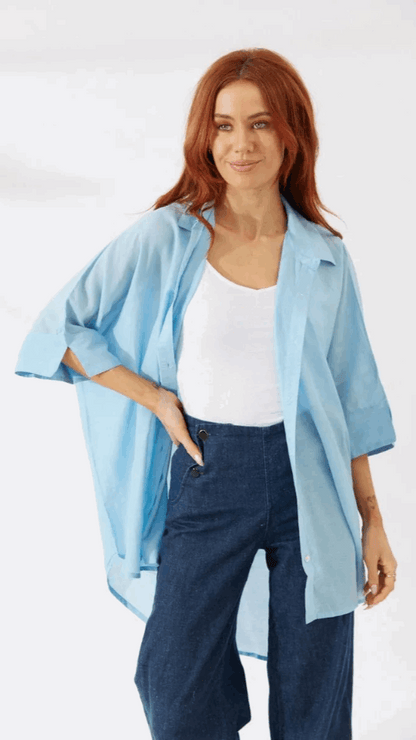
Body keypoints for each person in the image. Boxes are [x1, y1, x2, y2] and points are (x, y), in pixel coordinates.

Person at [14, 48, 398, 740]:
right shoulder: (169, 236)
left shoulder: (325, 256)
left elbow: (353, 399)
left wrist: (372, 520)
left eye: (260, 123)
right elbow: (61, 330)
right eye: (224, 126)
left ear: (291, 134)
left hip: (311, 483)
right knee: (175, 681)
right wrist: (156, 398)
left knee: (314, 695)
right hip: (208, 468)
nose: (240, 143)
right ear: (206, 136)